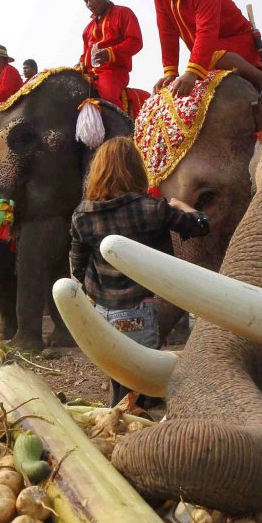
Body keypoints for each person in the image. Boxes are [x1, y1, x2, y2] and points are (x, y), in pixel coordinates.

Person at [69, 137, 209, 405]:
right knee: (140, 387)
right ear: (135, 170)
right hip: (138, 310)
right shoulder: (151, 209)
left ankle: (118, 424)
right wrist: (181, 206)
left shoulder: (82, 214)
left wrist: (98, 294)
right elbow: (201, 225)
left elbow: (78, 265)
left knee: (118, 374)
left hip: (100, 310)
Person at [79, 0, 143, 109]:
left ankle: (121, 129)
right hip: (89, 74)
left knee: (107, 97)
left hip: (113, 72)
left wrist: (111, 53)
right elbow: (85, 54)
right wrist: (80, 64)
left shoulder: (123, 13)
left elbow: (135, 41)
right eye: (86, 1)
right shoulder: (87, 29)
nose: (89, 3)